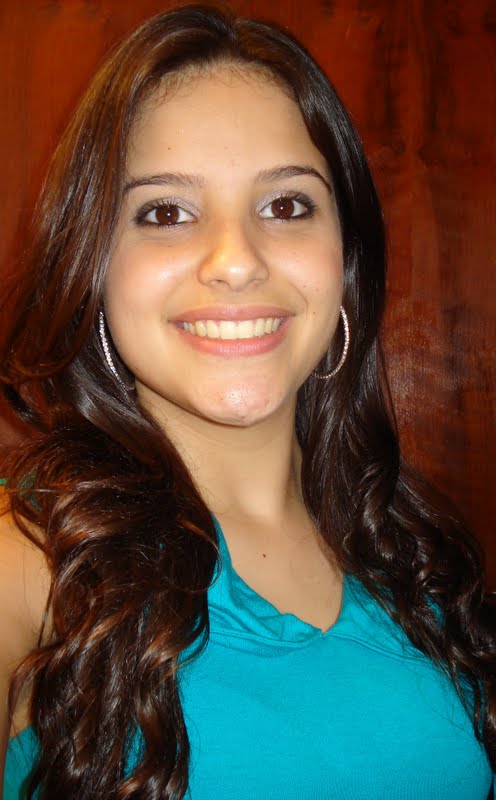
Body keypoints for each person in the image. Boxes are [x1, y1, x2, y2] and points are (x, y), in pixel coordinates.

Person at [0, 4, 494, 798]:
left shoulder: (414, 556)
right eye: (165, 212)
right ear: (92, 263)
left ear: (346, 261)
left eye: (286, 205)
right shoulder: (32, 559)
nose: (236, 261)